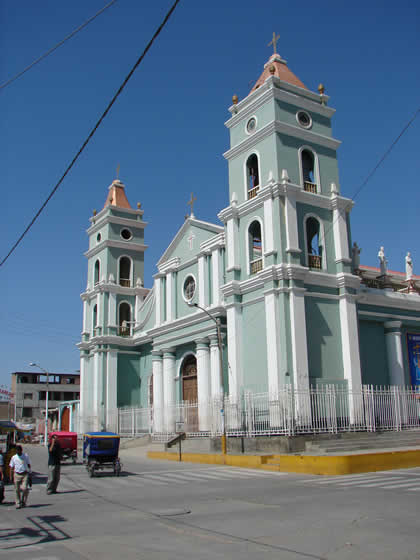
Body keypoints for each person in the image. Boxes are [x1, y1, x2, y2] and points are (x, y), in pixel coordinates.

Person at [9, 445, 31, 509]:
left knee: (24, 488)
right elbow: (11, 467)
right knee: (17, 489)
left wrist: (30, 472)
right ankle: (18, 503)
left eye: (19, 450)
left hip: (24, 474)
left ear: (21, 450)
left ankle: (23, 500)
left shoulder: (25, 456)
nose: (18, 452)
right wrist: (11, 476)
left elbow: (28, 464)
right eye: (17, 451)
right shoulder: (14, 457)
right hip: (17, 474)